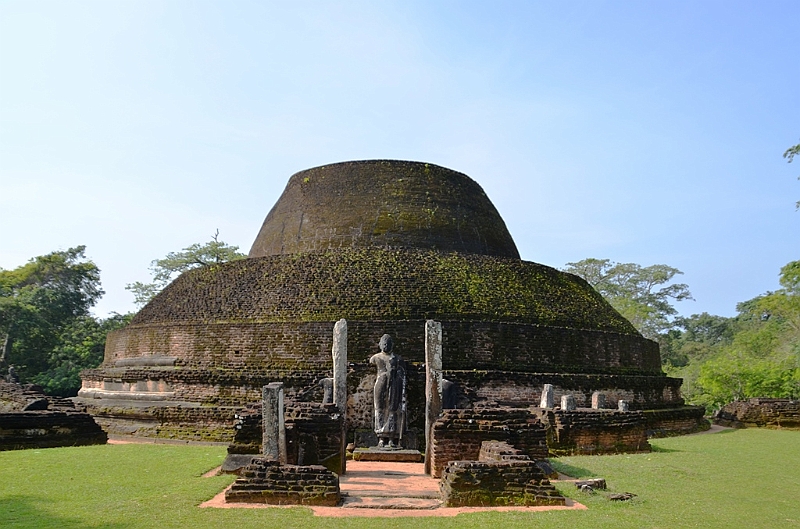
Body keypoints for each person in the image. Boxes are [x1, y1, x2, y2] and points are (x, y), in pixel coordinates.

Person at [369, 334, 406, 448]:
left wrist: (395, 372)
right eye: (383, 343)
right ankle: (381, 437)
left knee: (392, 409)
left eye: (388, 343)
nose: (385, 345)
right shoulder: (376, 358)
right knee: (379, 409)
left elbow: (403, 374)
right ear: (379, 345)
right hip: (381, 383)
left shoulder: (397, 358)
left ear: (392, 345)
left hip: (394, 384)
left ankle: (391, 437)